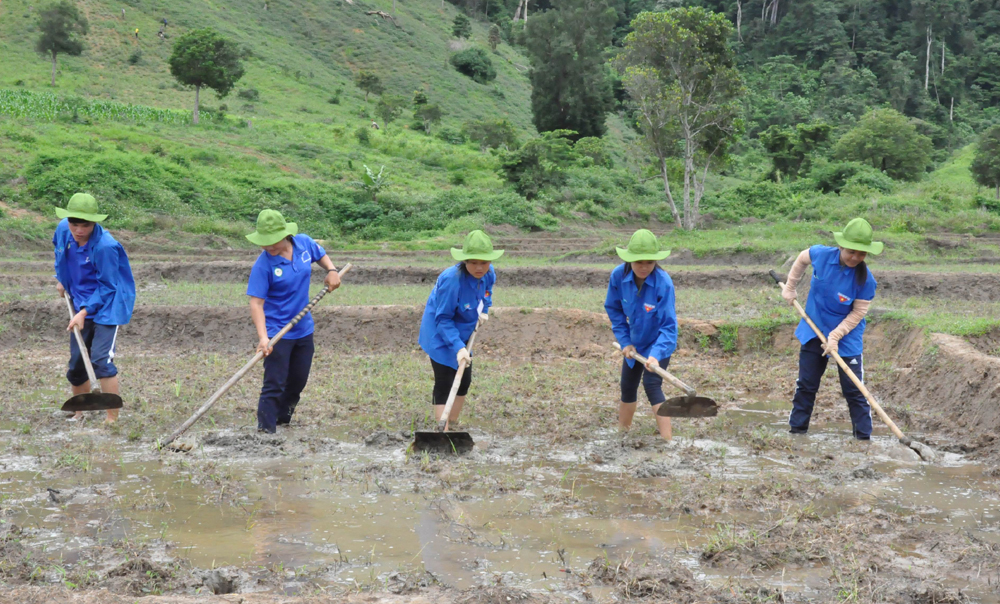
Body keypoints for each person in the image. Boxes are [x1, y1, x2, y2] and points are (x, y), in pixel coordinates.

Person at [781, 217, 882, 440]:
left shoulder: (866, 281)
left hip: (846, 335)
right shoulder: (821, 254)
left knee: (854, 390)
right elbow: (801, 258)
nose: (856, 258)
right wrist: (790, 287)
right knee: (806, 384)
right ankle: (797, 433)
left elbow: (857, 313)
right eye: (851, 252)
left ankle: (863, 439)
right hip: (814, 326)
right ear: (841, 246)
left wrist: (835, 336)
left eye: (862, 254)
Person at [246, 210, 340, 433]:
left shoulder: (303, 243)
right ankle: (266, 431)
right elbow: (256, 304)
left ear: (286, 235)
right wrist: (263, 338)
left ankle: (283, 421)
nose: (268, 247)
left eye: (272, 242)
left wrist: (332, 270)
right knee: (274, 384)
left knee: (298, 382)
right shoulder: (263, 265)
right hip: (278, 332)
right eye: (263, 243)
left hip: (303, 328)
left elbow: (321, 254)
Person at [52, 193, 136, 423]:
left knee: (100, 359)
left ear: (94, 223)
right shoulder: (63, 229)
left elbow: (108, 286)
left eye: (85, 225)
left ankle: (112, 418)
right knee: (77, 362)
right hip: (80, 297)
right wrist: (61, 279)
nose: (78, 230)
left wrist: (84, 312)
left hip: (109, 302)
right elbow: (59, 253)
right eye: (74, 224)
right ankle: (80, 412)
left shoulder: (105, 247)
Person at [418, 230, 501, 425]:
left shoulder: (489, 273)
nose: (479, 268)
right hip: (439, 332)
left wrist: (484, 310)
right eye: (473, 262)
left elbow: (487, 293)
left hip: (464, 330)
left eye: (484, 262)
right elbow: (443, 319)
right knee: (445, 380)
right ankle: (442, 429)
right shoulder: (452, 280)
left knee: (464, 379)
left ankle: (452, 425)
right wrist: (458, 347)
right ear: (465, 261)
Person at [605, 229, 676, 440]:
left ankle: (668, 441)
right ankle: (622, 434)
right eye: (639, 262)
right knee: (627, 387)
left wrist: (656, 354)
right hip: (633, 344)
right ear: (629, 260)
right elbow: (614, 310)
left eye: (649, 262)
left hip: (658, 343)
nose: (644, 267)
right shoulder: (618, 276)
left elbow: (669, 326)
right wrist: (625, 343)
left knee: (652, 384)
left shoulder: (663, 283)